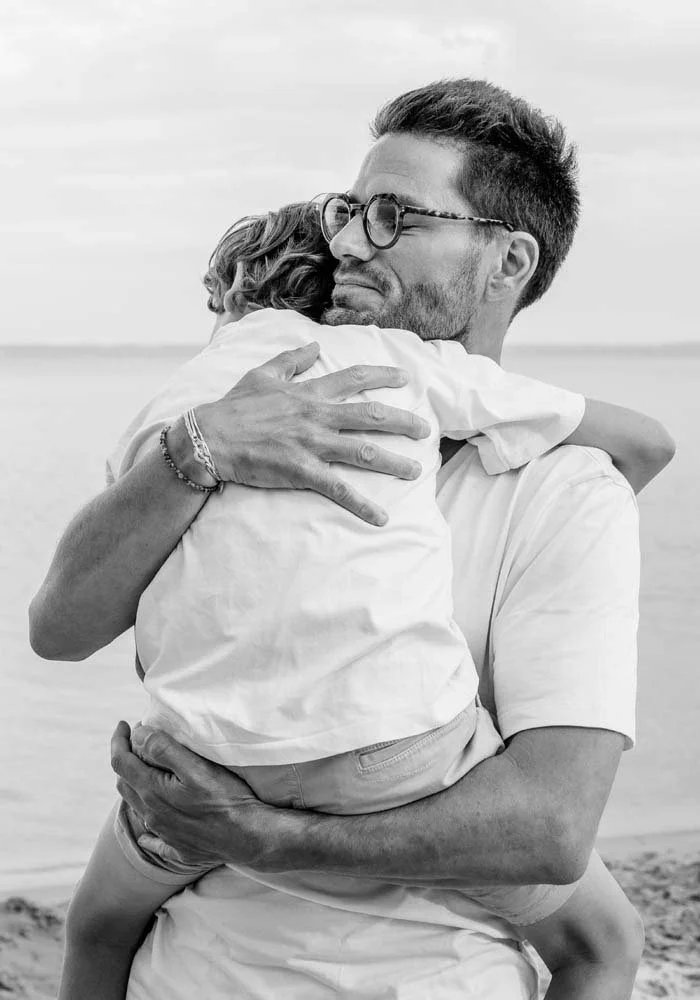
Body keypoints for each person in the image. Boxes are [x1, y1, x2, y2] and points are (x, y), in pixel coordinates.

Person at [30, 79, 674, 998]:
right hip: (189, 973)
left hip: (429, 978)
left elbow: (550, 828)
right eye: (345, 211)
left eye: (392, 216)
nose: (347, 240)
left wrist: (271, 838)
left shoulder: (564, 492)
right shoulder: (212, 430)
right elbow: (59, 629)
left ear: (506, 260)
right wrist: (200, 450)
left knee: (608, 941)